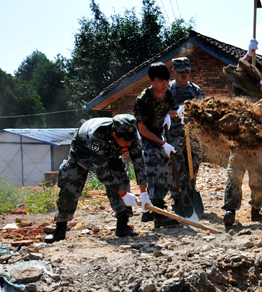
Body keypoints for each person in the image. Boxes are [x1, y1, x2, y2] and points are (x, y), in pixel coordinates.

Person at [44, 114, 150, 243]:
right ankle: (59, 231)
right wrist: (124, 195)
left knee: (122, 180)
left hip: (111, 155)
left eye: (131, 140)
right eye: (126, 140)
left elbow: (139, 163)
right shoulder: (98, 136)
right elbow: (102, 172)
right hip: (82, 154)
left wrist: (144, 193)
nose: (129, 143)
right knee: (70, 188)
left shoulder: (132, 137)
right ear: (115, 135)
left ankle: (123, 226)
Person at [222, 39, 262, 226]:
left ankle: (256, 210)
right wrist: (248, 55)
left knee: (261, 176)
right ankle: (230, 210)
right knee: (235, 175)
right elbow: (235, 71)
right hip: (240, 138)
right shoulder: (240, 84)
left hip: (258, 140)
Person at [133, 62, 178, 228]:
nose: (165, 84)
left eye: (166, 80)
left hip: (160, 136)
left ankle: (149, 212)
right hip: (147, 138)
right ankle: (158, 213)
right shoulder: (143, 100)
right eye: (161, 81)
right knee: (156, 170)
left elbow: (168, 110)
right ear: (151, 80)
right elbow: (142, 129)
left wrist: (175, 114)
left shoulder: (167, 94)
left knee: (168, 170)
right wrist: (162, 143)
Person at [168, 57, 205, 209]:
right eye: (180, 72)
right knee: (177, 167)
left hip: (192, 136)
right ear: (173, 72)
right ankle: (177, 197)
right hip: (174, 135)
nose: (184, 74)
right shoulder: (168, 90)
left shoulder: (195, 90)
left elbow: (202, 109)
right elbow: (163, 111)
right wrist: (177, 113)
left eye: (187, 72)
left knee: (193, 166)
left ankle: (190, 194)